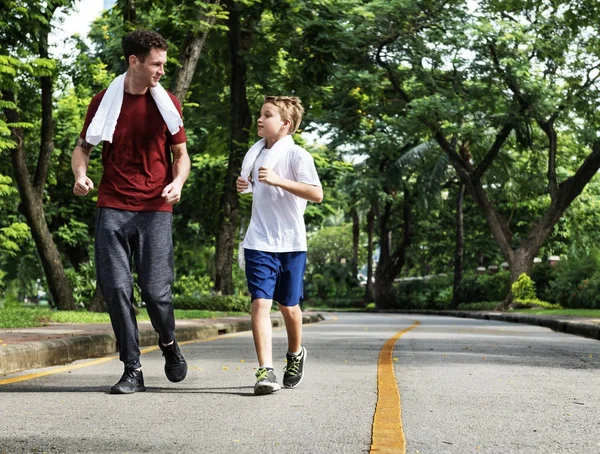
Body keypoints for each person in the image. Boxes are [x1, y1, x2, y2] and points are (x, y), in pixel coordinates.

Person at [71, 29, 191, 394]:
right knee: (117, 289)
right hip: (113, 205)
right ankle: (132, 368)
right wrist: (80, 174)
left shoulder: (167, 103)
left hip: (155, 207)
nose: (161, 71)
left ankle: (168, 342)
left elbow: (181, 156)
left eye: (164, 64)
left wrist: (178, 183)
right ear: (134, 61)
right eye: (156, 64)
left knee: (156, 293)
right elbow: (82, 150)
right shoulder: (103, 102)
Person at [236, 96, 323, 395]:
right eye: (260, 115)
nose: (260, 120)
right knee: (260, 302)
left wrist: (277, 180)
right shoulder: (256, 156)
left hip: (291, 242)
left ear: (285, 124)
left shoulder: (298, 156)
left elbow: (316, 194)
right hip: (259, 241)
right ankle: (265, 370)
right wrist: (245, 186)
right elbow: (256, 190)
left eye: (267, 115)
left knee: (289, 306)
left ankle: (295, 354)